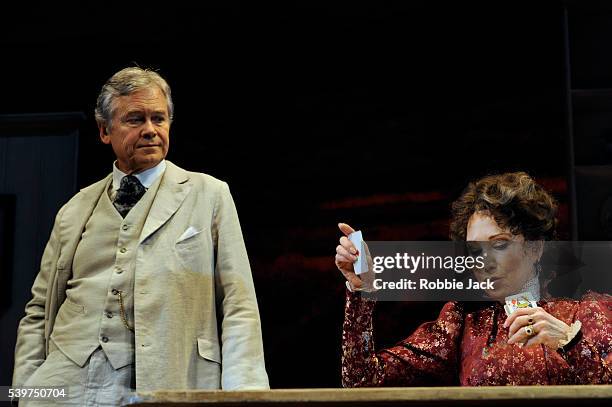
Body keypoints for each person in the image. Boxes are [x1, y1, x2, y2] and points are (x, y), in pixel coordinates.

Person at [13, 67, 269, 405]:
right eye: (135, 119)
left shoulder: (209, 194)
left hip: (166, 378)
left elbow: (239, 303)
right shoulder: (74, 209)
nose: (150, 130)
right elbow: (39, 310)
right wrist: (28, 391)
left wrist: (245, 395)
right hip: (65, 386)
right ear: (105, 131)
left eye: (158, 119)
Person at [336, 172, 611, 386]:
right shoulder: (463, 325)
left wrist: (569, 341)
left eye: (500, 245)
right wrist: (364, 290)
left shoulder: (586, 313)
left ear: (535, 247)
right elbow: (362, 379)